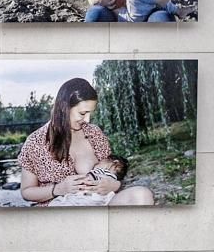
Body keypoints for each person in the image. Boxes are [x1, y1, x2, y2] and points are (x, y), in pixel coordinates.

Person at [18, 78, 154, 206]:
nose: (87, 120)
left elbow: (112, 170)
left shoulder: (94, 133)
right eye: (83, 113)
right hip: (61, 211)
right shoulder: (34, 143)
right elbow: (26, 192)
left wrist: (114, 185)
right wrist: (58, 189)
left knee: (142, 195)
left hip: (100, 202)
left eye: (90, 113)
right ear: (64, 108)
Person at [48, 154, 128, 207]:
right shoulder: (113, 178)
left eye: (100, 162)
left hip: (88, 198)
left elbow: (88, 180)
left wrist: (77, 180)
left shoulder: (101, 172)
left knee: (60, 203)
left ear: (114, 164)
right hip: (101, 200)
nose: (96, 164)